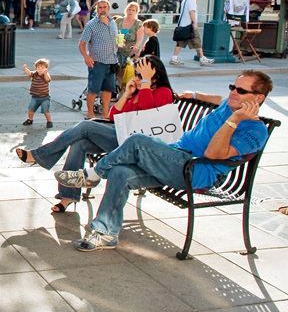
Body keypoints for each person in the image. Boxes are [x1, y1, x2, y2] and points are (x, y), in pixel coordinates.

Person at [56, 70, 272, 251]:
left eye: (241, 90)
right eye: (232, 87)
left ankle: (91, 176)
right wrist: (194, 94)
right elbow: (217, 99)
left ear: (258, 98)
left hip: (194, 171)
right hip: (175, 157)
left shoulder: (255, 131)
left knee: (138, 141)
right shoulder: (230, 103)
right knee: (120, 171)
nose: (233, 92)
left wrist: (234, 120)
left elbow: (214, 154)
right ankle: (106, 233)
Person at [16, 56, 174, 213]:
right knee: (79, 143)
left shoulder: (163, 92)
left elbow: (147, 114)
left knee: (85, 126)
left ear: (154, 75)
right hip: (120, 137)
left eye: (140, 75)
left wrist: (145, 83)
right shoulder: (138, 91)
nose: (137, 78)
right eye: (136, 74)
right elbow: (113, 116)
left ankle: (40, 155)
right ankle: (68, 195)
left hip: (134, 146)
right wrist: (126, 94)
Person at [79, 0, 118, 120]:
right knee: (93, 89)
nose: (102, 10)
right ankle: (90, 113)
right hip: (97, 62)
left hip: (112, 61)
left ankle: (105, 114)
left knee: (108, 89)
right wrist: (86, 57)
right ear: (97, 9)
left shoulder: (113, 22)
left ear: (108, 8)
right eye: (100, 7)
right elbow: (81, 43)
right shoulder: (91, 25)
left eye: (105, 7)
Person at [170, 0, 214, 66]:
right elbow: (191, 12)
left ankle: (174, 58)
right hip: (190, 25)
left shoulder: (185, 0)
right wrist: (194, 23)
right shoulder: (192, 1)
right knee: (197, 41)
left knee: (181, 42)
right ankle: (202, 59)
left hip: (183, 25)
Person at [113, 2, 145, 86]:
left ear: (136, 12)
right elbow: (113, 33)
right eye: (129, 9)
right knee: (116, 72)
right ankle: (117, 91)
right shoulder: (119, 20)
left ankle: (125, 92)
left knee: (126, 73)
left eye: (133, 10)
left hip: (130, 52)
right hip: (117, 50)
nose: (130, 11)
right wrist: (117, 40)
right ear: (126, 10)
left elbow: (140, 38)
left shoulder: (138, 23)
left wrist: (136, 47)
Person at [22, 59, 53, 128]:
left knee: (45, 110)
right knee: (31, 109)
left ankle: (49, 121)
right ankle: (30, 120)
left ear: (46, 69)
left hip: (45, 97)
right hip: (35, 97)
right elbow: (29, 73)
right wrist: (25, 69)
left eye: (42, 68)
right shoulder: (34, 74)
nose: (40, 69)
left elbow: (48, 79)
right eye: (38, 67)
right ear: (36, 68)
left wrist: (45, 74)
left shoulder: (46, 75)